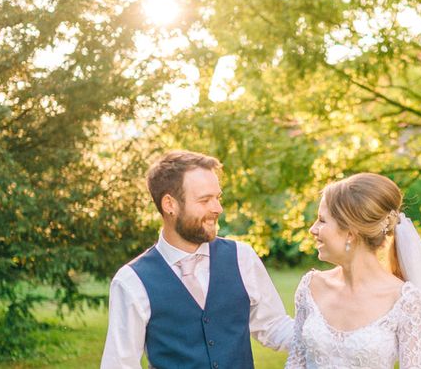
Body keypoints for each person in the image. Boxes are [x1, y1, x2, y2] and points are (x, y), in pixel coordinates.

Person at [100, 150, 294, 369]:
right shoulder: (131, 281)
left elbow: (273, 325)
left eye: (218, 198)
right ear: (169, 204)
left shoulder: (242, 257)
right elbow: (119, 364)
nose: (217, 208)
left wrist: (326, 337)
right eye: (205, 200)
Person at [285, 173, 421, 369]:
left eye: (322, 221)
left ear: (350, 233)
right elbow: (296, 362)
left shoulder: (404, 300)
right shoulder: (311, 287)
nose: (312, 229)